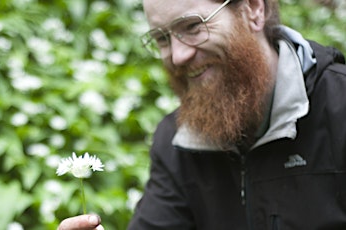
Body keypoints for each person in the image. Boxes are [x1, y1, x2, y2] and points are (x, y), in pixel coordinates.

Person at [58, 0, 346, 229]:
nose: (177, 55)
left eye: (193, 26)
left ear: (254, 9)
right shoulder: (176, 139)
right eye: (161, 38)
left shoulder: (340, 106)